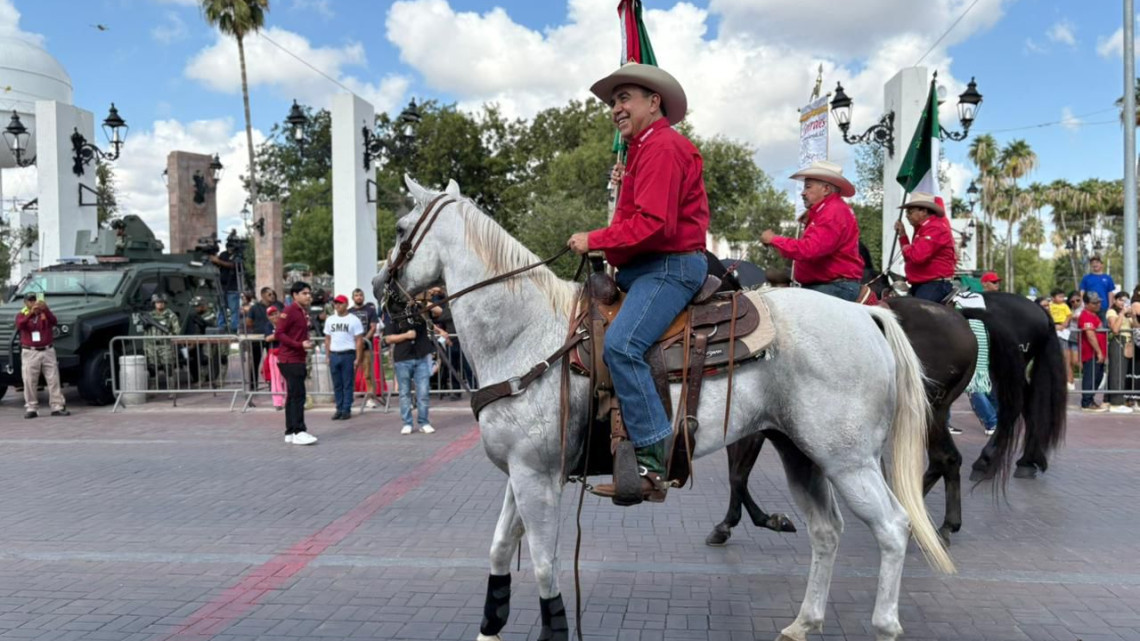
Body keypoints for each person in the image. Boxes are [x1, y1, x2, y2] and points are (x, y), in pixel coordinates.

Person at [566, 62, 708, 502]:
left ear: (654, 102)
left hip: (666, 267)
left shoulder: (663, 147)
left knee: (622, 346)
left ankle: (652, 463)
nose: (616, 108)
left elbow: (653, 225)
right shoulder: (644, 150)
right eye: (613, 102)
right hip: (648, 268)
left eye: (625, 98)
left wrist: (595, 238)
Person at [760, 160, 862, 301]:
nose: (803, 193)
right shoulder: (832, 210)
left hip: (832, 288)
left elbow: (810, 249)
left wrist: (774, 240)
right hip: (831, 286)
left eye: (808, 187)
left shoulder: (832, 212)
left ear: (826, 189)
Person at [275, 281, 318, 445]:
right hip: (290, 360)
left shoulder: (301, 311)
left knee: (293, 396)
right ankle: (299, 430)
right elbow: (279, 333)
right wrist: (298, 344)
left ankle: (290, 431)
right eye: (305, 293)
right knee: (298, 396)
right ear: (295, 295)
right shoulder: (290, 310)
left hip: (297, 358)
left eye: (309, 293)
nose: (309, 296)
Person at [893, 192, 956, 302]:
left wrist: (908, 247)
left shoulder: (935, 228)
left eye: (910, 212)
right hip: (924, 284)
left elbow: (917, 256)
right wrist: (903, 235)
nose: (907, 215)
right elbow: (910, 258)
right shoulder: (924, 229)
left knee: (916, 317)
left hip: (934, 285)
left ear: (924, 211)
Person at [384, 308, 437, 435]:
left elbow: (438, 311)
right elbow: (388, 338)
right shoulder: (394, 313)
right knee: (404, 393)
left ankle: (424, 422)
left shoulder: (420, 311)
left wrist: (424, 299)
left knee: (423, 392)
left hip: (421, 357)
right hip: (403, 358)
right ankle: (407, 423)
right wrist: (406, 336)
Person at [16, 293, 68, 419]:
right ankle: (31, 407)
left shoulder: (45, 312)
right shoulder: (22, 314)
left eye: (35, 300)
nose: (33, 303)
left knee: (53, 379)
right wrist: (31, 313)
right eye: (30, 301)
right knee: (29, 380)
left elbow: (54, 321)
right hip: (30, 351)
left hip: (47, 350)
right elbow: (20, 325)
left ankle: (57, 406)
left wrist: (46, 309)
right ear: (25, 303)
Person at [323, 295, 364, 420]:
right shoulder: (330, 320)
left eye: (340, 303)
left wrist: (358, 358)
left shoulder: (354, 320)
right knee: (337, 384)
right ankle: (339, 408)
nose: (337, 305)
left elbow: (359, 340)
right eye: (336, 303)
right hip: (334, 354)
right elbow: (327, 339)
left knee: (347, 383)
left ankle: (346, 409)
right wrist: (327, 355)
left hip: (348, 354)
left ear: (346, 304)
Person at [349, 288, 381, 409]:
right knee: (350, 373)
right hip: (352, 348)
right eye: (356, 295)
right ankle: (349, 397)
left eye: (360, 295)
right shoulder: (349, 312)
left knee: (368, 374)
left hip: (366, 346)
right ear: (353, 298)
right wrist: (355, 342)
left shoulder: (370, 310)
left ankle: (370, 398)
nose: (359, 297)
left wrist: (363, 341)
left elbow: (373, 327)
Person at [140, 293, 181, 381]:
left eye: (162, 302)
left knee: (168, 366)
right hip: (151, 345)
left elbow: (176, 330)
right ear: (154, 303)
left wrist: (170, 335)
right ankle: (154, 387)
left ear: (165, 303)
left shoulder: (170, 315)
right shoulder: (149, 316)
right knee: (152, 367)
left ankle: (171, 388)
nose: (160, 304)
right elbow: (143, 330)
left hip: (165, 345)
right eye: (157, 302)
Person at [1105, 292, 1134, 413]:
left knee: (1122, 373)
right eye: (1121, 300)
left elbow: (1135, 326)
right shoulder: (1112, 312)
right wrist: (1121, 313)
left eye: (1126, 300)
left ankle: (1111, 399)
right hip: (1118, 341)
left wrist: (1132, 315)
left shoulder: (1128, 315)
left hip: (1128, 343)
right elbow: (1115, 329)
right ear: (1115, 301)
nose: (1123, 303)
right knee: (1117, 372)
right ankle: (1116, 403)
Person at [1079, 293, 1107, 412]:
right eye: (1094, 303)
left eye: (1099, 302)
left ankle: (1090, 400)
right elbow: (1090, 335)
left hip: (1097, 353)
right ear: (1086, 304)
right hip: (1091, 353)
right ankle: (1086, 402)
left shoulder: (1094, 315)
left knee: (1098, 377)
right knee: (1090, 377)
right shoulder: (1085, 316)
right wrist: (1099, 352)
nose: (1098, 305)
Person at [1049, 289, 1075, 390]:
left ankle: (1070, 381)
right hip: (1053, 327)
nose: (1061, 299)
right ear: (1053, 298)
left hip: (1062, 328)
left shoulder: (1064, 306)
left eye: (1062, 297)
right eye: (1059, 296)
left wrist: (1064, 325)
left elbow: (1069, 316)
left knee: (1065, 356)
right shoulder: (1050, 305)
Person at [209, 248, 240, 331]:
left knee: (233, 310)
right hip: (222, 286)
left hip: (233, 287)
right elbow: (218, 265)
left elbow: (233, 265)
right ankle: (221, 326)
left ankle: (234, 328)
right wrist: (214, 260)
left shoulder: (238, 255)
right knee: (221, 308)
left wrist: (218, 261)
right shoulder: (223, 254)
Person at [1080, 256, 1115, 323]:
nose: (1094, 264)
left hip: (1104, 307)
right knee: (1090, 325)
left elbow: (1110, 292)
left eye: (1097, 262)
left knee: (1104, 327)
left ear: (1102, 264)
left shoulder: (1108, 278)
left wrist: (1110, 306)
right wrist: (1083, 304)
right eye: (1092, 263)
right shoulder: (1086, 278)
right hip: (1090, 307)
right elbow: (1082, 291)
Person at [263, 307, 285, 410]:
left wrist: (276, 335)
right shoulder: (268, 325)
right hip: (274, 354)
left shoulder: (285, 322)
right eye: (271, 315)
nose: (274, 316)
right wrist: (281, 334)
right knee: (276, 380)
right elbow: (268, 338)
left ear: (279, 313)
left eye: (276, 313)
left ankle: (289, 400)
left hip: (286, 354)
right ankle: (278, 402)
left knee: (287, 378)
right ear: (268, 317)